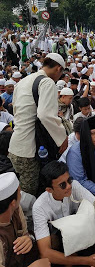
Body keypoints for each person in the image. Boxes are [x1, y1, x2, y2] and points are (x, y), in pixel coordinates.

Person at [8, 53, 68, 196]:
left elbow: (15, 110)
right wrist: (62, 139)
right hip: (29, 150)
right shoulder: (47, 82)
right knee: (29, 196)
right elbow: (45, 115)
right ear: (58, 68)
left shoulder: (24, 81)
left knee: (19, 193)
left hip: (16, 145)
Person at [32, 161, 95, 266]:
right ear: (49, 190)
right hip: (60, 247)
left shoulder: (75, 186)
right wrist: (87, 261)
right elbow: (45, 252)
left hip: (83, 237)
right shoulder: (39, 207)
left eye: (69, 180)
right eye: (62, 185)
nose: (69, 186)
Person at [0, 172, 51, 267]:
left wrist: (29, 239)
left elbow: (25, 233)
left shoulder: (16, 209)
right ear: (13, 203)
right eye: (19, 192)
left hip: (20, 259)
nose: (21, 194)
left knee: (53, 241)